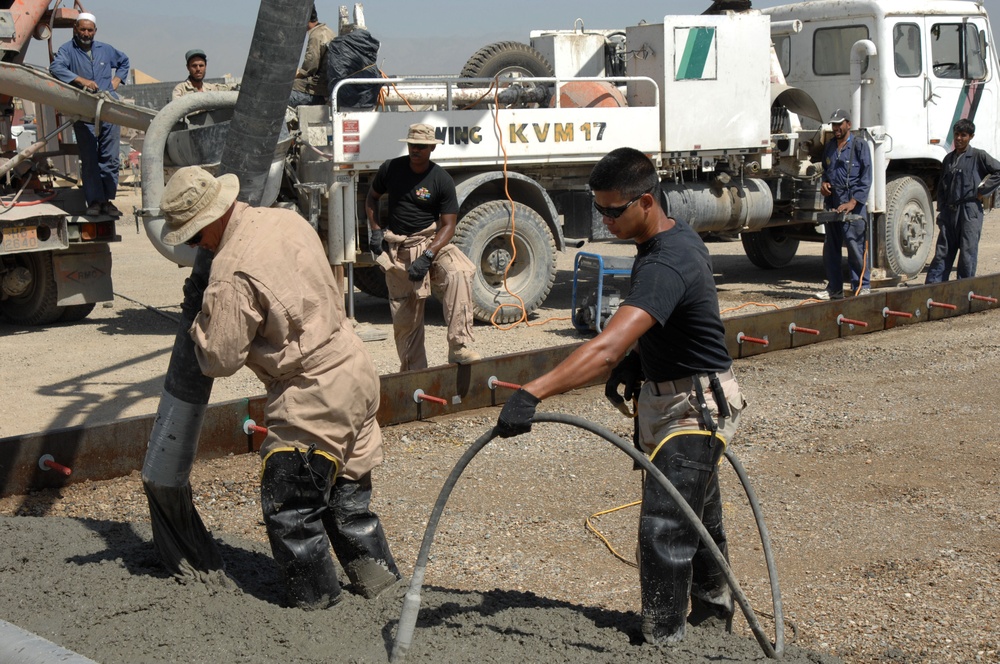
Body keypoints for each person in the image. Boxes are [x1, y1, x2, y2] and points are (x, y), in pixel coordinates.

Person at [495, 147, 746, 645]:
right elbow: (667, 327)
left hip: (692, 408)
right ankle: (715, 629)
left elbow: (606, 347)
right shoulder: (669, 243)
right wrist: (641, 363)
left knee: (664, 530)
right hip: (683, 396)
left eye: (614, 210)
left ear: (647, 201)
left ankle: (664, 641)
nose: (606, 220)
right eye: (600, 209)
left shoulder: (664, 263)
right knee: (698, 521)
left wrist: (533, 392)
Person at [159, 166, 400, 609]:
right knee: (348, 504)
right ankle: (385, 594)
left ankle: (318, 613)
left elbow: (219, 360)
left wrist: (200, 320)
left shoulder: (231, 272)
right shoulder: (283, 219)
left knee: (291, 507)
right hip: (353, 369)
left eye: (195, 237)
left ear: (211, 218)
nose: (198, 247)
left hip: (313, 389)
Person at [365, 123, 480, 370]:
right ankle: (414, 373)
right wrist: (375, 230)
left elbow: (449, 225)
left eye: (421, 146)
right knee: (406, 317)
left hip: (430, 241)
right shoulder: (391, 169)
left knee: (459, 270)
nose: (415, 150)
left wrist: (428, 256)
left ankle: (458, 346)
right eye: (412, 145)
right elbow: (372, 197)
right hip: (400, 247)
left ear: (431, 148)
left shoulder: (441, 179)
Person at [50, 12, 129, 218]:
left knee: (110, 158)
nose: (86, 33)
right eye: (82, 29)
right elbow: (56, 68)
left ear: (95, 31)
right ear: (76, 29)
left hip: (108, 109)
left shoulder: (105, 49)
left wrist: (116, 82)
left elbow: (124, 62)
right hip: (83, 110)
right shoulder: (67, 50)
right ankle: (94, 201)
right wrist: (80, 80)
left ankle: (108, 200)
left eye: (90, 30)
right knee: (90, 158)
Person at [925, 118, 1000, 283]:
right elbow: (943, 186)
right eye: (956, 134)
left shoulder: (978, 156)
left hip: (969, 211)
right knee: (942, 252)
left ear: (971, 137)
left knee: (967, 253)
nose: (959, 139)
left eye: (963, 135)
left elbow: (998, 171)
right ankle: (932, 290)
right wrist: (942, 211)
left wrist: (983, 191)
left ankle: (965, 292)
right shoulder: (948, 159)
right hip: (949, 213)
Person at [815, 108, 872, 300]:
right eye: (834, 125)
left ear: (849, 124)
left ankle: (862, 286)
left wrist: (853, 202)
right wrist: (824, 184)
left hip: (853, 205)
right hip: (834, 203)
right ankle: (834, 289)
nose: (836, 128)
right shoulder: (830, 146)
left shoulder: (859, 146)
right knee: (831, 248)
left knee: (855, 246)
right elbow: (825, 170)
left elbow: (866, 178)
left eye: (840, 124)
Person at [289, 6, 335, 108]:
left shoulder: (315, 35)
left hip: (316, 91)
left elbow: (310, 66)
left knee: (278, 99)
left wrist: (297, 75)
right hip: (325, 89)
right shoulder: (328, 31)